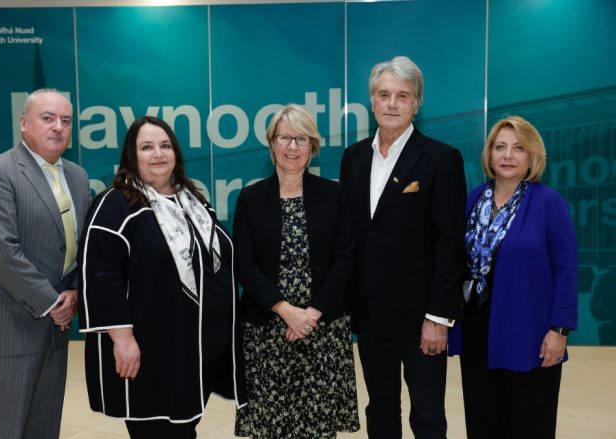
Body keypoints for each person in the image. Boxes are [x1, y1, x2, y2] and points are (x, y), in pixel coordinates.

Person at [78, 116, 246, 439]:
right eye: (147, 147)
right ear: (132, 155)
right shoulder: (116, 204)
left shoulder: (191, 199)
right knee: (155, 431)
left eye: (165, 146)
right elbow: (101, 276)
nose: (158, 153)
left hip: (197, 349)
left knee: (182, 429)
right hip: (151, 351)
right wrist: (122, 340)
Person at [339, 56, 467, 438]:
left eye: (402, 95)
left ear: (416, 103)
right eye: (384, 94)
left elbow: (450, 244)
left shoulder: (441, 159)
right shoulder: (353, 158)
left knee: (426, 417)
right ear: (372, 102)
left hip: (421, 320)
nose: (392, 103)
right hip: (369, 316)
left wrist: (438, 318)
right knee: (379, 410)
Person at [0, 88, 90, 439]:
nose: (58, 128)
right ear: (23, 124)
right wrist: (52, 303)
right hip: (9, 331)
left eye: (65, 121)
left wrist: (75, 290)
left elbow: (82, 246)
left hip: (56, 331)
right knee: (2, 430)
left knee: (43, 429)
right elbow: (1, 252)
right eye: (47, 118)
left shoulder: (78, 177)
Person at [234, 104, 360, 438]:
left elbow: (346, 259)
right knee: (271, 426)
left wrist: (311, 314)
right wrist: (286, 311)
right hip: (267, 331)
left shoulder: (335, 194)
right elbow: (244, 266)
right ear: (272, 143)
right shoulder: (250, 198)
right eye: (285, 138)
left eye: (301, 139)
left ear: (313, 146)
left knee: (318, 427)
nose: (293, 147)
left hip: (323, 330)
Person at [449, 115, 578, 438]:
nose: (508, 156)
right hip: (478, 331)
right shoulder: (473, 200)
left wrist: (559, 330)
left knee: (528, 421)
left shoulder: (550, 204)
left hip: (529, 335)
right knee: (482, 419)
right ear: (489, 154)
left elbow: (566, 270)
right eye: (501, 147)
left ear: (532, 156)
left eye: (518, 148)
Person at [590, 256, 616, 345]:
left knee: (605, 349)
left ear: (596, 267)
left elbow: (593, 301)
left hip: (605, 321)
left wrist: (596, 317)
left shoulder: (599, 279)